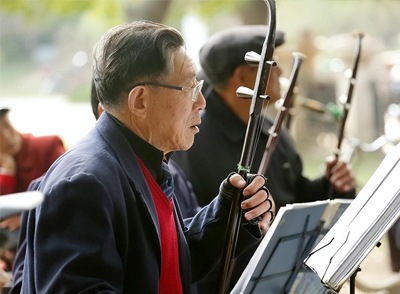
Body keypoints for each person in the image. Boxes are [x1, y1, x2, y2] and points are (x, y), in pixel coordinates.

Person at [11, 20, 275, 293]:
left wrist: (228, 214)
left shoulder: (144, 161)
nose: (201, 102)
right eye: (189, 89)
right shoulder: (83, 184)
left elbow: (164, 265)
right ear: (140, 101)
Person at [173, 25, 357, 293]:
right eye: (272, 65)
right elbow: (190, 233)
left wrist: (331, 184)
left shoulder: (270, 129)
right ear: (243, 75)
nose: (281, 73)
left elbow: (293, 196)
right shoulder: (191, 138)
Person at [0, 107, 66, 272]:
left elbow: (70, 193)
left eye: (7, 126)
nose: (8, 137)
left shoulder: (45, 147)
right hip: (15, 263)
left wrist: (27, 218)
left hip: (55, 254)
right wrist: (7, 171)